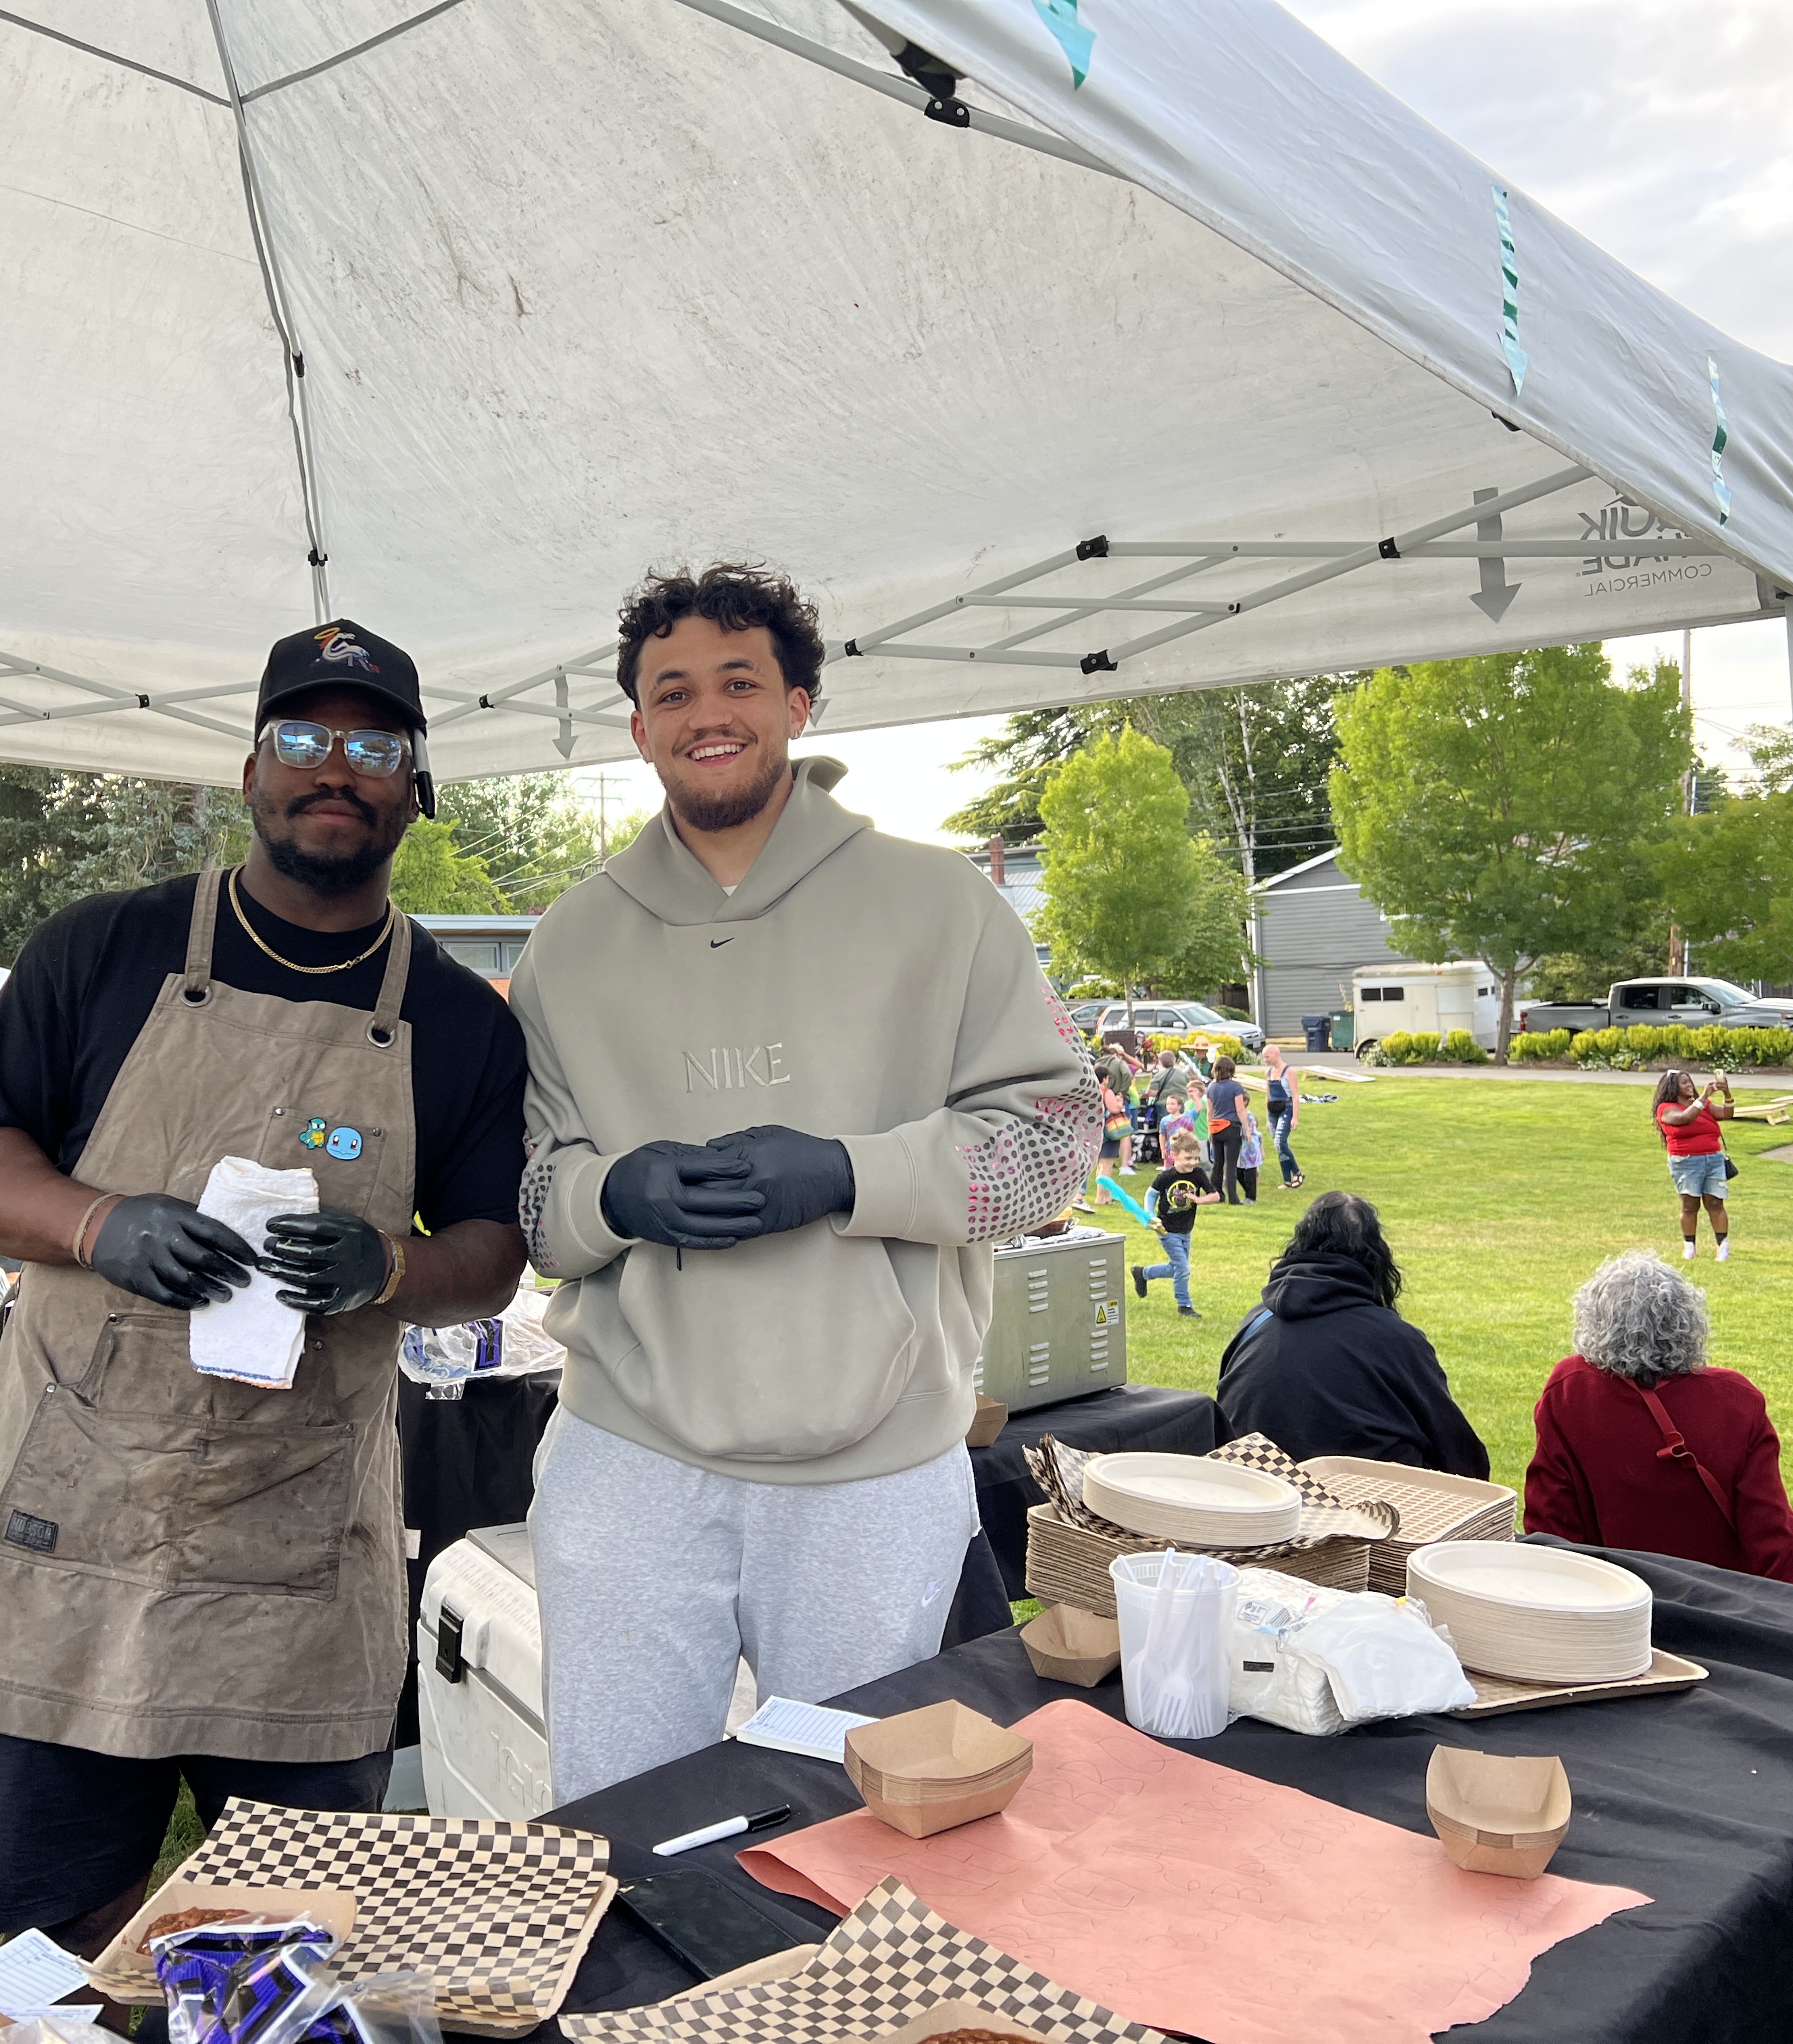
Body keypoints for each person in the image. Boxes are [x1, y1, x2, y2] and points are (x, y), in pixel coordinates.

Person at [0, 619, 529, 1958]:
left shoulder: (460, 1018)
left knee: (282, 1943)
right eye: (303, 739)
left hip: (296, 1563)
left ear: (414, 787)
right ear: (249, 770)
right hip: (64, 1533)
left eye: (374, 746)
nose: (336, 769)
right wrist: (99, 1223)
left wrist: (394, 1267)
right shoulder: (104, 949)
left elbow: (493, 1250)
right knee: (53, 1935)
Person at [512, 563, 1096, 1806]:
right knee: (613, 1809)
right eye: (672, 690)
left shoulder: (942, 904)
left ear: (800, 702)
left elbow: (1054, 1139)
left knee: (865, 1816)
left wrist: (845, 1171)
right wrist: (612, 1196)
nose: (706, 711)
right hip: (629, 1452)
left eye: (739, 681)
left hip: (872, 1460)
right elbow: (530, 1188)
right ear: (637, 726)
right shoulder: (569, 937)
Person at [1525, 1250, 1793, 1582]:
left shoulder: (1570, 1390)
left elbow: (1550, 1526)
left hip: (1613, 1606)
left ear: (1594, 1322)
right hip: (1721, 1610)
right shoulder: (1736, 1400)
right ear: (1687, 1321)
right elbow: (1772, 1534)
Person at [1216, 1190, 1488, 1474]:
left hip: (1256, 1495)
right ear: (1376, 1259)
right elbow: (1457, 1450)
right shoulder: (1396, 1339)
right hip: (1363, 1505)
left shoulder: (1256, 1321)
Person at [1131, 1129, 1219, 1317]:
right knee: (1183, 1268)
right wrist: (1148, 1215)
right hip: (1167, 1229)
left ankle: (1143, 1273)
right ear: (1174, 1155)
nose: (1193, 1162)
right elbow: (1151, 1194)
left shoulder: (1198, 1174)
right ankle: (1184, 1305)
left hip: (1186, 1229)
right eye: (1188, 1158)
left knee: (1176, 1268)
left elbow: (1215, 1196)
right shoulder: (1166, 1177)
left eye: (1196, 1158)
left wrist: (1198, 1200)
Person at [1653, 1069, 1733, 1262]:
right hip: (1685, 1161)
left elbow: (1726, 1114)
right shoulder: (1666, 1108)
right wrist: (1704, 1096)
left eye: (1690, 1082)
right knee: (1690, 1205)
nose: (1690, 1086)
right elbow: (1684, 1119)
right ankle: (1690, 1245)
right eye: (1684, 1083)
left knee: (1715, 1202)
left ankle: (1722, 1246)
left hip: (1713, 1159)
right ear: (1674, 1087)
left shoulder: (1702, 1105)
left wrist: (1727, 1094)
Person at [1206, 1053, 1259, 1205]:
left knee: (1217, 1164)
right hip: (1231, 1128)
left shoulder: (1211, 1087)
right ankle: (1233, 1198)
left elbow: (1209, 1111)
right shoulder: (1236, 1087)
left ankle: (1217, 1194)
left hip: (1216, 1127)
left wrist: (1210, 1129)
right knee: (1231, 1165)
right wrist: (1248, 1130)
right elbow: (1240, 1110)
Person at [1261, 1042, 1304, 1190]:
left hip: (1286, 1108)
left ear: (1276, 1054)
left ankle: (1297, 1173)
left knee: (1280, 1142)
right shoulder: (1268, 1073)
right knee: (1280, 1146)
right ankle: (1288, 1179)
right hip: (1273, 1110)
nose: (1265, 1060)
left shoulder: (1289, 1071)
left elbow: (1295, 1095)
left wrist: (1295, 1117)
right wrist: (1267, 1118)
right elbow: (1268, 1095)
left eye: (1267, 1057)